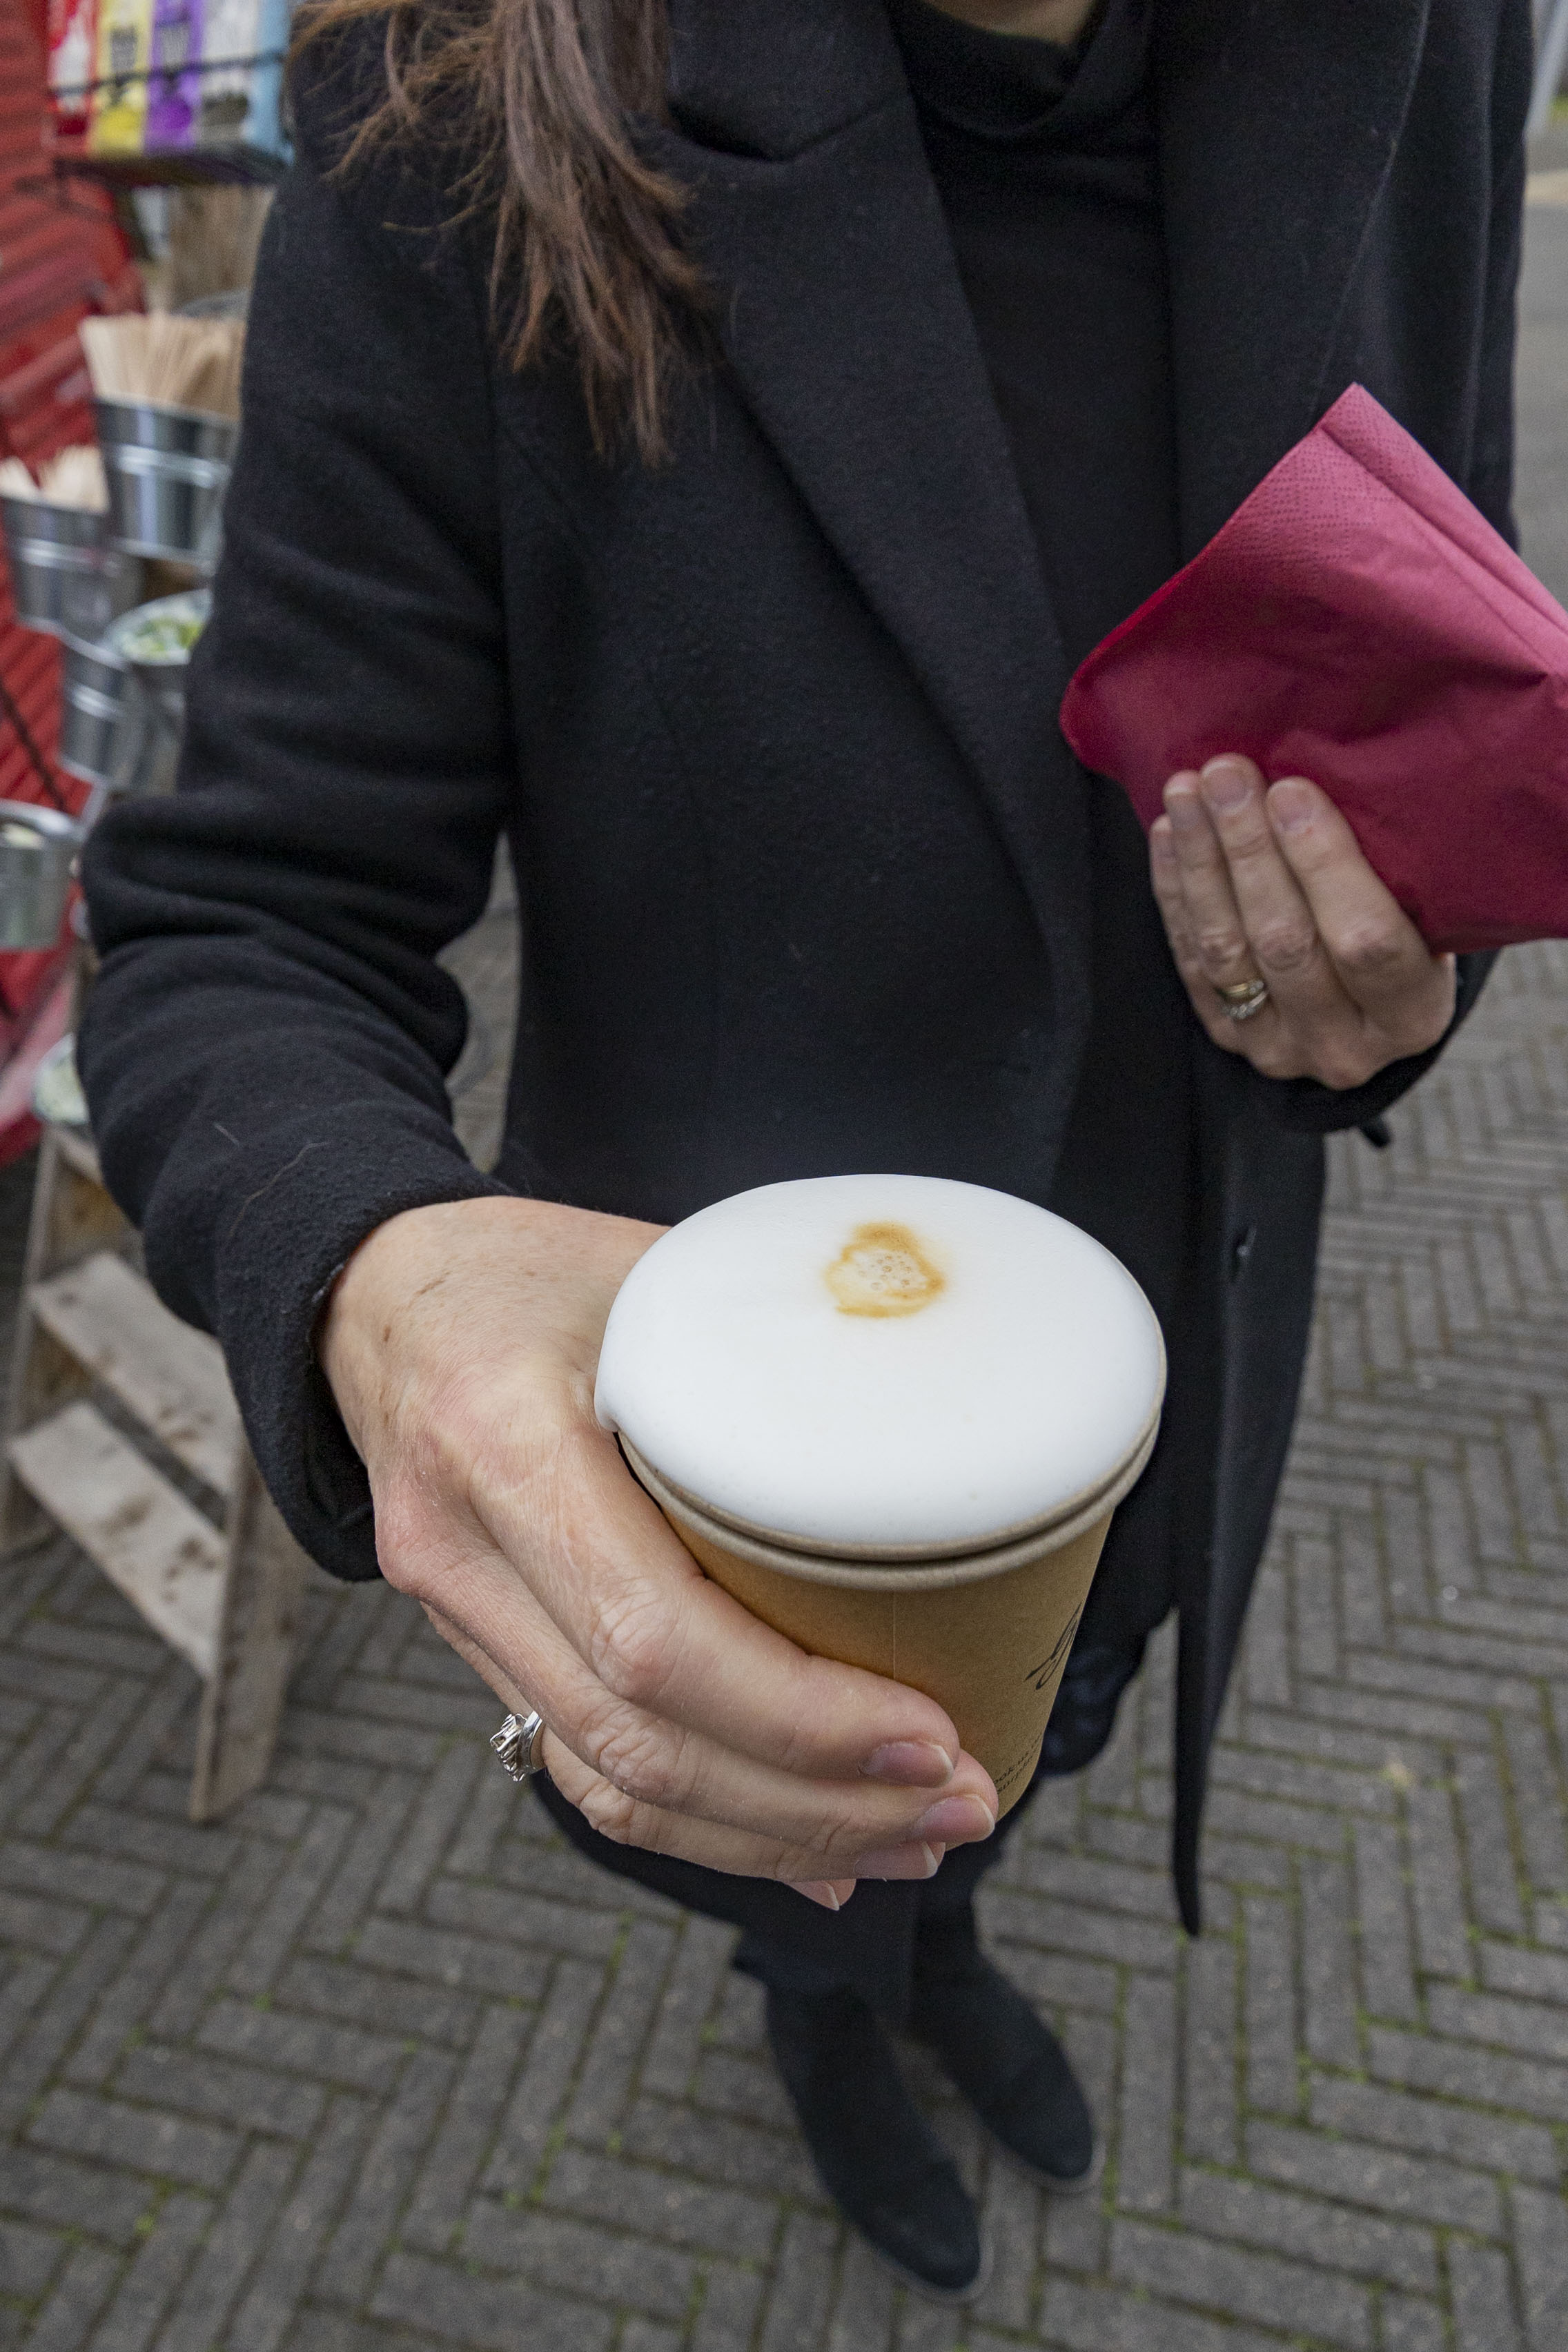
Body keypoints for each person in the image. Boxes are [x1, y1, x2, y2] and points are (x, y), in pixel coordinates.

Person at [79, 0, 1527, 2303]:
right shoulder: (451, 110)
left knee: (1018, 1748)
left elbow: (1421, 666)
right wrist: (380, 1281)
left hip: (1172, 1314)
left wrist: (1378, 992)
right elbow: (243, 929)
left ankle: (940, 1957)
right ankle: (824, 2014)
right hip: (752, 1444)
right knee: (808, 1824)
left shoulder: (1434, 41)